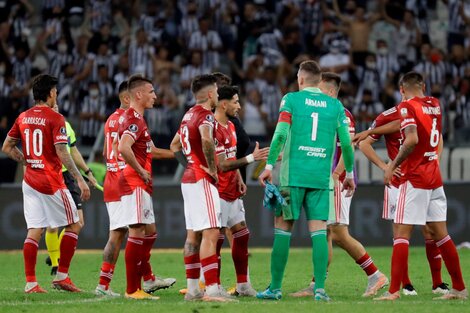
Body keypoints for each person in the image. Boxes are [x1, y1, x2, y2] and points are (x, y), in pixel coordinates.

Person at [256, 61, 355, 301]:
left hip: (293, 175)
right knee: (319, 231)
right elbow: (347, 143)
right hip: (321, 177)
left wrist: (269, 166)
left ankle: (275, 289)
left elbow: (280, 133)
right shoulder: (335, 105)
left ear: (301, 79)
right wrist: (349, 174)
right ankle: (319, 289)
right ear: (318, 81)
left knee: (283, 228)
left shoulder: (291, 99)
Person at [290, 72, 388, 298]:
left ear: (332, 92)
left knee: (338, 233)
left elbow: (348, 146)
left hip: (337, 181)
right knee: (326, 233)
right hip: (325, 180)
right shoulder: (325, 112)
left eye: (321, 89)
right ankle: (317, 284)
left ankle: (376, 275)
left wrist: (336, 174)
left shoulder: (342, 114)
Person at [374, 72, 467, 301]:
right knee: (442, 235)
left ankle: (394, 291)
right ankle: (459, 288)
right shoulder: (435, 104)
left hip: (414, 178)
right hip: (434, 177)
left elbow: (412, 139)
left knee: (401, 234)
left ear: (401, 89)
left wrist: (391, 165)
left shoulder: (406, 106)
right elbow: (436, 138)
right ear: (423, 86)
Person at [2, 74, 90, 293]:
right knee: (75, 224)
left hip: (29, 181)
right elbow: (62, 151)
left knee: (34, 231)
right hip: (50, 182)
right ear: (51, 93)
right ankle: (62, 277)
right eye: (56, 92)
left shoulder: (23, 117)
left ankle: (31, 283)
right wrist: (80, 178)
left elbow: (6, 147)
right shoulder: (55, 118)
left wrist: (27, 160)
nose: (56, 95)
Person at [355, 105, 449, 296]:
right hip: (398, 183)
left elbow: (438, 138)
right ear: (402, 92)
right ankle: (406, 284)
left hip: (420, 179)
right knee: (400, 232)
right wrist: (384, 166)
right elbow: (363, 144)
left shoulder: (422, 112)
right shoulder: (386, 117)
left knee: (430, 231)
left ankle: (437, 283)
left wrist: (435, 161)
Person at [171, 74, 232, 302]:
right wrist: (211, 169)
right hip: (201, 179)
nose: (217, 95)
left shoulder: (188, 115)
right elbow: (207, 140)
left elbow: (174, 145)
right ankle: (213, 290)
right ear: (209, 94)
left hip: (189, 178)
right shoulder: (206, 116)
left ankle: (193, 289)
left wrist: (190, 164)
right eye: (216, 92)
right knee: (211, 232)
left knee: (193, 235)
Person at [117, 75, 175, 300]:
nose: (155, 96)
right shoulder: (134, 119)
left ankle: (146, 279)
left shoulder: (137, 119)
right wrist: (141, 171)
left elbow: (150, 150)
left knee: (149, 232)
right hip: (134, 182)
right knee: (137, 231)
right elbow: (123, 147)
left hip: (139, 182)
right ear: (138, 94)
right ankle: (133, 289)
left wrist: (181, 156)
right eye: (151, 92)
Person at [213, 85, 269, 296]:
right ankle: (214, 285)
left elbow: (231, 159)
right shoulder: (214, 128)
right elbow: (222, 165)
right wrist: (252, 158)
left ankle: (243, 284)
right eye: (236, 102)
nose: (239, 106)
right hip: (217, 190)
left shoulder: (229, 126)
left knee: (242, 233)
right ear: (224, 103)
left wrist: (239, 179)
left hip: (231, 188)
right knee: (215, 238)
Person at [45, 103, 98, 276]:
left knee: (78, 222)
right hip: (50, 177)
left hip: (68, 177)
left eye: (57, 106)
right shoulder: (43, 126)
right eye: (52, 106)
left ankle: (57, 253)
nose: (56, 108)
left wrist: (87, 171)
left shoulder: (66, 126)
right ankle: (55, 263)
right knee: (52, 225)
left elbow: (73, 152)